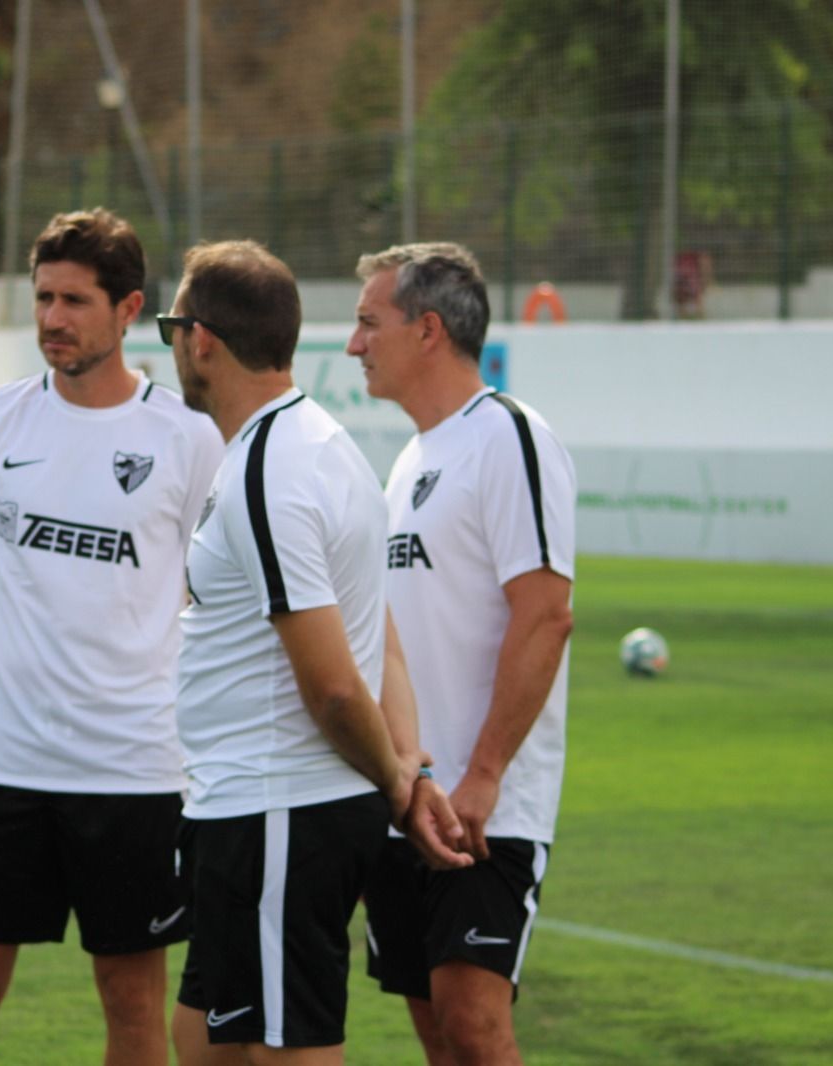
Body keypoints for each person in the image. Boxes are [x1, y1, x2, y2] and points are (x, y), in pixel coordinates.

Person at [0, 208, 224, 1066]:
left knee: (131, 1000)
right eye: (44, 298)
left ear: (128, 311)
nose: (53, 318)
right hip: (1, 762)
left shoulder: (189, 439)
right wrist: (23, 672)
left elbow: (210, 593)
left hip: (135, 767)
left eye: (75, 301)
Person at [164, 239, 470, 1066]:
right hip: (254, 808)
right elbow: (382, 634)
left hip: (278, 808)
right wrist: (408, 769)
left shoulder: (270, 467)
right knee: (201, 1040)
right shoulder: (323, 446)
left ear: (201, 340)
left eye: (169, 327)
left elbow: (335, 686)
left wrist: (399, 784)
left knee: (288, 1050)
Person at [348, 242, 576, 1066]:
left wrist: (483, 774)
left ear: (428, 330)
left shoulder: (509, 437)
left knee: (475, 1026)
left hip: (487, 806)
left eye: (369, 323)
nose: (354, 344)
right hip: (410, 798)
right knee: (438, 1032)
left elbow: (546, 615)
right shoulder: (410, 461)